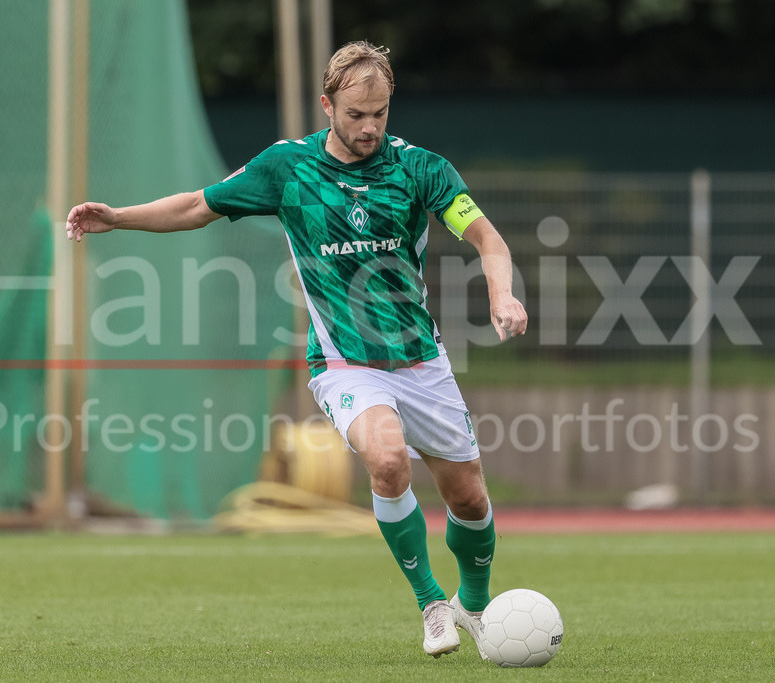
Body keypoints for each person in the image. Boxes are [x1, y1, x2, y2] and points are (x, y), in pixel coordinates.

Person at [66, 41, 527, 659]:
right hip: (344, 362)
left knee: (467, 496)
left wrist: (503, 296)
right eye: (357, 114)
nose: (369, 127)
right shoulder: (287, 168)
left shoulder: (422, 169)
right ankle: (431, 604)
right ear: (327, 104)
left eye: (381, 114)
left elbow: (485, 236)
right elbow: (197, 206)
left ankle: (475, 605)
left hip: (421, 359)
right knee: (388, 462)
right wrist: (118, 217)